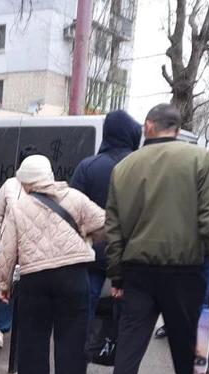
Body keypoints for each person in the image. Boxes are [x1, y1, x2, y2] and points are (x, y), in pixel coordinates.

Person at [104, 104, 209, 374]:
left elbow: (114, 230)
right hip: (183, 272)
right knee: (185, 347)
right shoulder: (199, 160)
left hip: (136, 272)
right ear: (176, 127)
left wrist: (116, 274)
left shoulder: (123, 167)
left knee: (128, 351)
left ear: (149, 126)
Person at [0, 155, 106, 374]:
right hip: (72, 275)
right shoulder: (75, 198)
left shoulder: (18, 206)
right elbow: (106, 224)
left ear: (26, 181)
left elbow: (6, 249)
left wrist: (3, 283)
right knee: (71, 339)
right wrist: (87, 237)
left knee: (33, 336)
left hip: (35, 278)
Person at [155, 150, 209, 339]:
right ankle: (172, 324)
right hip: (185, 251)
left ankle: (196, 329)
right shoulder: (187, 186)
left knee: (204, 293)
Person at [69, 110, 142, 321]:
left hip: (94, 252)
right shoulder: (142, 167)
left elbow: (73, 212)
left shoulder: (88, 166)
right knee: (128, 315)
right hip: (132, 254)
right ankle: (120, 350)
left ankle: (82, 350)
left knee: (86, 309)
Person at [0, 146, 37, 348]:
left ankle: (26, 334)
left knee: (30, 291)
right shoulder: (9, 185)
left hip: (32, 249)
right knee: (4, 286)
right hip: (7, 246)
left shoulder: (42, 187)